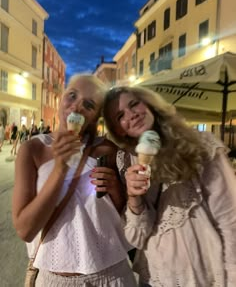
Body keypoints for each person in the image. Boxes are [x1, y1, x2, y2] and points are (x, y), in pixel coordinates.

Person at [102, 85, 236, 287]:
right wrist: (134, 197)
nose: (131, 115)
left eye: (134, 104)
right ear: (119, 128)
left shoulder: (201, 146)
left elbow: (230, 222)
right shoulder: (129, 160)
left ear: (148, 103)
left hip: (201, 277)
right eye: (120, 115)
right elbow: (136, 238)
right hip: (155, 277)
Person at [12, 75, 137, 287]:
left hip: (112, 276)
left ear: (96, 117)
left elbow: (127, 217)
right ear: (61, 98)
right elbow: (25, 230)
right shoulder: (33, 149)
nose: (76, 107)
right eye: (72, 96)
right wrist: (60, 167)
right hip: (55, 279)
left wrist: (116, 190)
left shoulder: (107, 150)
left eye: (88, 105)